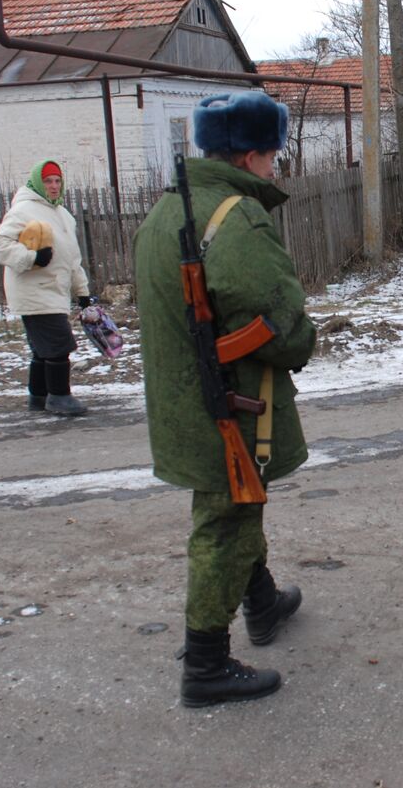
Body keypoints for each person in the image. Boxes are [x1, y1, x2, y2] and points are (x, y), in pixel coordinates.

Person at [133, 92, 316, 708]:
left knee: (239, 502)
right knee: (227, 521)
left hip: (185, 399)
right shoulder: (236, 217)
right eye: (271, 154)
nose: (274, 165)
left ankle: (261, 602)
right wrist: (302, 338)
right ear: (250, 154)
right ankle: (206, 664)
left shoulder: (167, 211)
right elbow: (281, 326)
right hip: (230, 404)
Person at [0, 159, 93, 417]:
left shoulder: (63, 215)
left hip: (54, 289)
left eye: (57, 181)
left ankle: (39, 397)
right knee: (59, 343)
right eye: (48, 181)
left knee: (42, 348)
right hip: (33, 290)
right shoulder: (23, 210)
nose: (54, 186)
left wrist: (82, 293)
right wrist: (32, 258)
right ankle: (59, 397)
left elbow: (72, 259)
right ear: (37, 183)